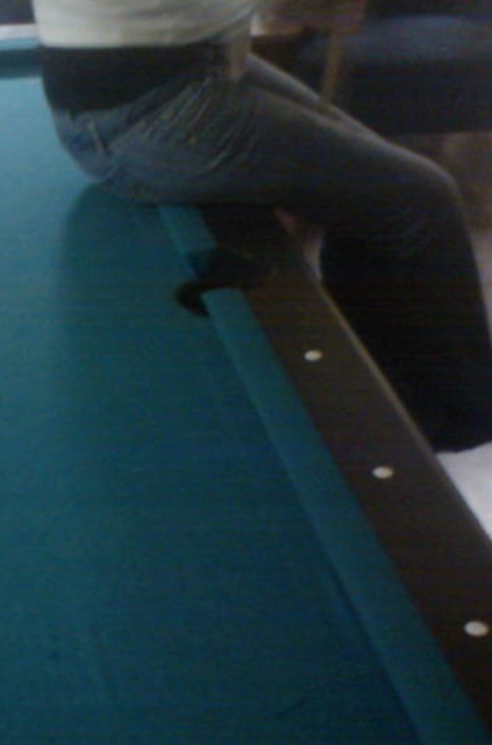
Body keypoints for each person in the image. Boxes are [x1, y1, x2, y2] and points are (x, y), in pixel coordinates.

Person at [31, 0, 492, 531]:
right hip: (140, 113)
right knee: (421, 201)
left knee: (386, 196)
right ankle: (453, 418)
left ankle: (387, 400)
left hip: (191, 71)